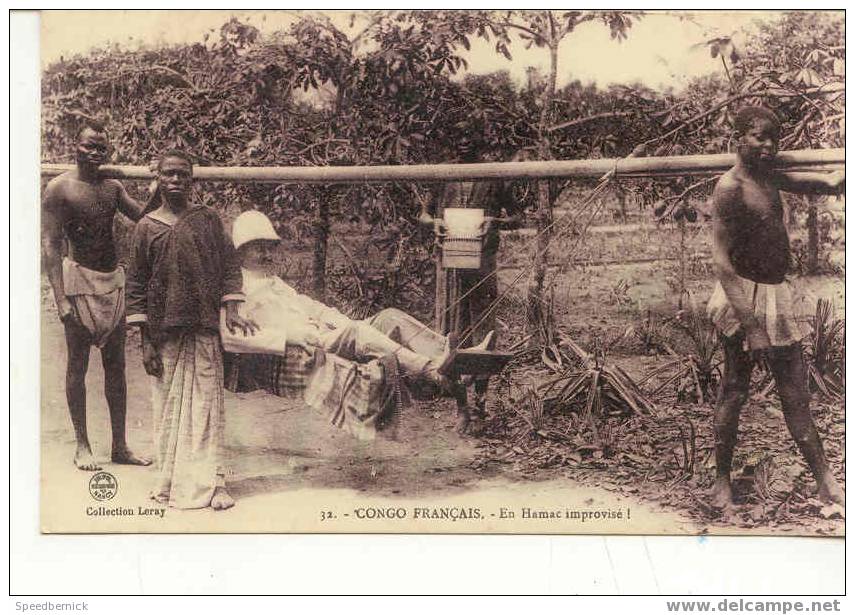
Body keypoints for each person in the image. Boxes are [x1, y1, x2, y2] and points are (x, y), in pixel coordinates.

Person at [707, 106, 845, 509]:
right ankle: (721, 482)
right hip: (742, 302)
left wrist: (838, 179)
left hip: (775, 296)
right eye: (759, 137)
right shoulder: (729, 188)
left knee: (795, 394)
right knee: (734, 390)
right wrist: (753, 328)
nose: (768, 145)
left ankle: (826, 482)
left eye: (774, 138)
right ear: (738, 138)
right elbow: (722, 265)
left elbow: (823, 182)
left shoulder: (767, 177)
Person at [125, 150, 257, 510]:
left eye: (183, 174)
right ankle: (167, 482)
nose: (176, 180)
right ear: (158, 178)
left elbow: (230, 264)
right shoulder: (146, 227)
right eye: (169, 174)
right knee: (167, 411)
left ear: (192, 179)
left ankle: (214, 484)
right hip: (163, 334)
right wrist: (145, 345)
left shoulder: (207, 220)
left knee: (206, 409)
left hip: (203, 330)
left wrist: (231, 307)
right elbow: (135, 286)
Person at [220, 210, 472, 385]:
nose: (266, 254)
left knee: (389, 316)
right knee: (358, 333)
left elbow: (313, 306)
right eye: (258, 248)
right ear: (240, 251)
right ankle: (429, 369)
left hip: (327, 331)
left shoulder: (274, 280)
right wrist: (293, 337)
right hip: (308, 344)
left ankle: (461, 357)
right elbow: (234, 338)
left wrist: (342, 322)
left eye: (269, 247)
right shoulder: (236, 288)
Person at [41, 119, 151, 471]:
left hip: (111, 283)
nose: (94, 152)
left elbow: (145, 219)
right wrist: (60, 298)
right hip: (78, 284)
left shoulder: (113, 187)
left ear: (107, 151)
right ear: (76, 145)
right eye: (88, 145)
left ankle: (120, 445)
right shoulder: (60, 189)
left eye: (101, 147)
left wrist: (160, 186)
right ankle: (82, 445)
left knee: (116, 367)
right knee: (78, 365)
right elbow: (51, 245)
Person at [419, 141, 524, 430]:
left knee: (484, 332)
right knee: (453, 332)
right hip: (451, 264)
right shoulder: (444, 175)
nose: (464, 143)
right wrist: (435, 223)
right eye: (458, 136)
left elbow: (517, 216)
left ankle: (480, 405)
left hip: (482, 264)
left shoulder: (493, 175)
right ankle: (460, 407)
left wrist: (496, 220)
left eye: (471, 136)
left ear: (479, 140)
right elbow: (424, 214)